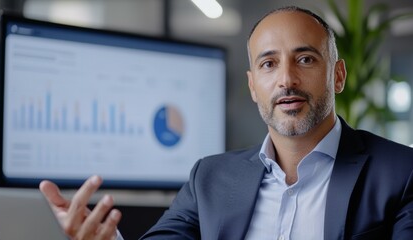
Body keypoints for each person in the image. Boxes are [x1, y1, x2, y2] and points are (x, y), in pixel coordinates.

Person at [40, 5, 413, 240]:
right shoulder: (210, 178)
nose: (286, 80)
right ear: (253, 86)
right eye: (268, 64)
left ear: (338, 76)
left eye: (305, 60)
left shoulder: (401, 172)